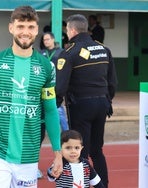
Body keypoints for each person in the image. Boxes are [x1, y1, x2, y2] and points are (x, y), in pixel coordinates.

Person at [0, 5, 63, 188]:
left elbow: (50, 111)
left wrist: (57, 152)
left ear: (36, 30)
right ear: (11, 28)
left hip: (29, 152)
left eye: (30, 27)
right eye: (20, 26)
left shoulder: (46, 68)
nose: (25, 32)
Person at [55, 14, 117, 188]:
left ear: (72, 30)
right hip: (102, 105)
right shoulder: (104, 49)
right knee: (97, 151)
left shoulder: (68, 53)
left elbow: (60, 88)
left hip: (80, 107)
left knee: (80, 152)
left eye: (67, 30)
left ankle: (79, 184)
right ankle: (102, 185)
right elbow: (113, 83)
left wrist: (53, 107)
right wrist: (106, 101)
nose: (67, 33)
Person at [40, 31, 68, 131]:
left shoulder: (61, 52)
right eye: (44, 40)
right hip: (43, 85)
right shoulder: (41, 53)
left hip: (56, 85)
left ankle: (66, 132)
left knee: (58, 109)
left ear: (53, 39)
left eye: (47, 39)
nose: (46, 41)